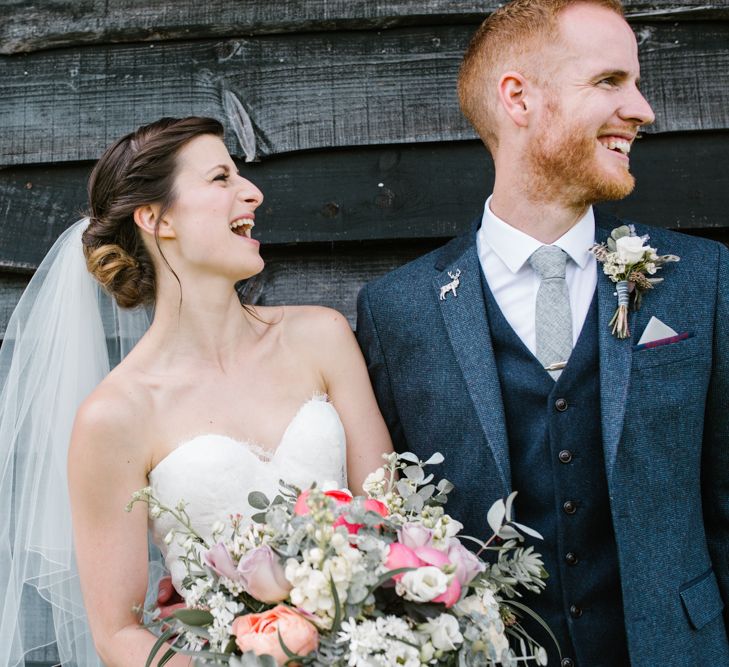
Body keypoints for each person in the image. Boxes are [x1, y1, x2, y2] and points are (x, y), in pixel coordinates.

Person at [356, 1, 729, 665]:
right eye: (609, 82)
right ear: (518, 98)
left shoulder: (701, 278)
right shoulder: (397, 310)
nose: (642, 109)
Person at [0, 116, 393, 666]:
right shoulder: (115, 416)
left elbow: (393, 518)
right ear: (156, 219)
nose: (252, 193)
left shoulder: (321, 337)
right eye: (220, 178)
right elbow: (117, 633)